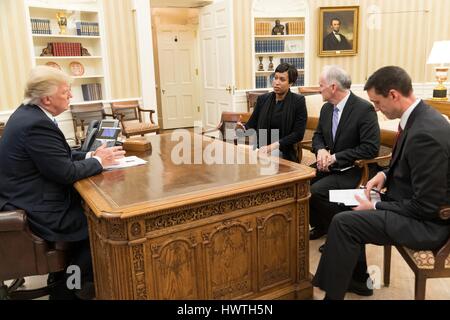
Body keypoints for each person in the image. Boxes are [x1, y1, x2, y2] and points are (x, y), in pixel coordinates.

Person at [313, 66, 450, 300]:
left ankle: (332, 294)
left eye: (377, 102)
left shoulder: (425, 133)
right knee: (344, 207)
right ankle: (351, 281)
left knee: (344, 223)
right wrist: (384, 175)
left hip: (428, 225)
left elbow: (426, 207)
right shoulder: (419, 117)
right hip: (408, 205)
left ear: (394, 95)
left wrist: (376, 206)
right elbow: (407, 164)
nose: (376, 108)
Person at [0, 66, 125, 299]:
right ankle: (68, 290)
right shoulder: (36, 124)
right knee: (99, 227)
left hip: (25, 197)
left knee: (89, 211)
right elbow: (65, 172)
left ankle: (66, 279)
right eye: (66, 92)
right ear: (47, 98)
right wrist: (98, 161)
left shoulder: (29, 114)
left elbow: (57, 157)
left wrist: (90, 156)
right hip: (35, 207)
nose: (71, 96)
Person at [309, 65, 380, 244]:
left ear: (333, 87)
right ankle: (322, 225)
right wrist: (321, 150)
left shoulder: (363, 109)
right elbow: (317, 136)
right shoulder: (326, 109)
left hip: (354, 169)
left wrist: (336, 157)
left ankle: (339, 235)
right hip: (330, 165)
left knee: (317, 191)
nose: (318, 89)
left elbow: (370, 148)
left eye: (321, 85)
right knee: (300, 183)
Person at [238, 63, 307, 162]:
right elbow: (252, 124)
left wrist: (272, 147)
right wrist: (242, 128)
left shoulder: (298, 101)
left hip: (283, 151)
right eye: (275, 78)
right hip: (261, 148)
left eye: (282, 79)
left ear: (291, 83)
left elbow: (298, 134)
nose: (276, 82)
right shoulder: (263, 99)